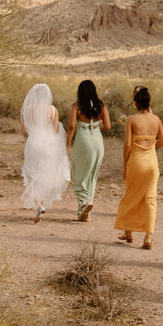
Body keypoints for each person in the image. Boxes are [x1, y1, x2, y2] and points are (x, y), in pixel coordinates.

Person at [114, 86, 163, 249]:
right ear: (149, 103)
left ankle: (128, 233)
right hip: (152, 163)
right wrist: (150, 144)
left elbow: (127, 145)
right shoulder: (156, 120)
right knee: (150, 199)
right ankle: (148, 238)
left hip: (136, 161)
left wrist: (125, 164)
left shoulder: (131, 120)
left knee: (130, 195)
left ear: (136, 103)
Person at [20, 83, 70, 223]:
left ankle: (38, 204)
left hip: (33, 143)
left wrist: (33, 132)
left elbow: (24, 130)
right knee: (44, 174)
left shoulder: (28, 110)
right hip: (48, 144)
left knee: (31, 175)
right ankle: (40, 203)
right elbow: (55, 131)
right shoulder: (53, 110)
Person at [66, 79, 111, 221]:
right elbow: (108, 127)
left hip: (83, 141)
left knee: (79, 174)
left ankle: (83, 204)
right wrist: (98, 122)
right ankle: (87, 208)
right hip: (97, 141)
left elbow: (72, 126)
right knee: (92, 174)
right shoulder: (101, 106)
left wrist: (66, 145)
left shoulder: (76, 106)